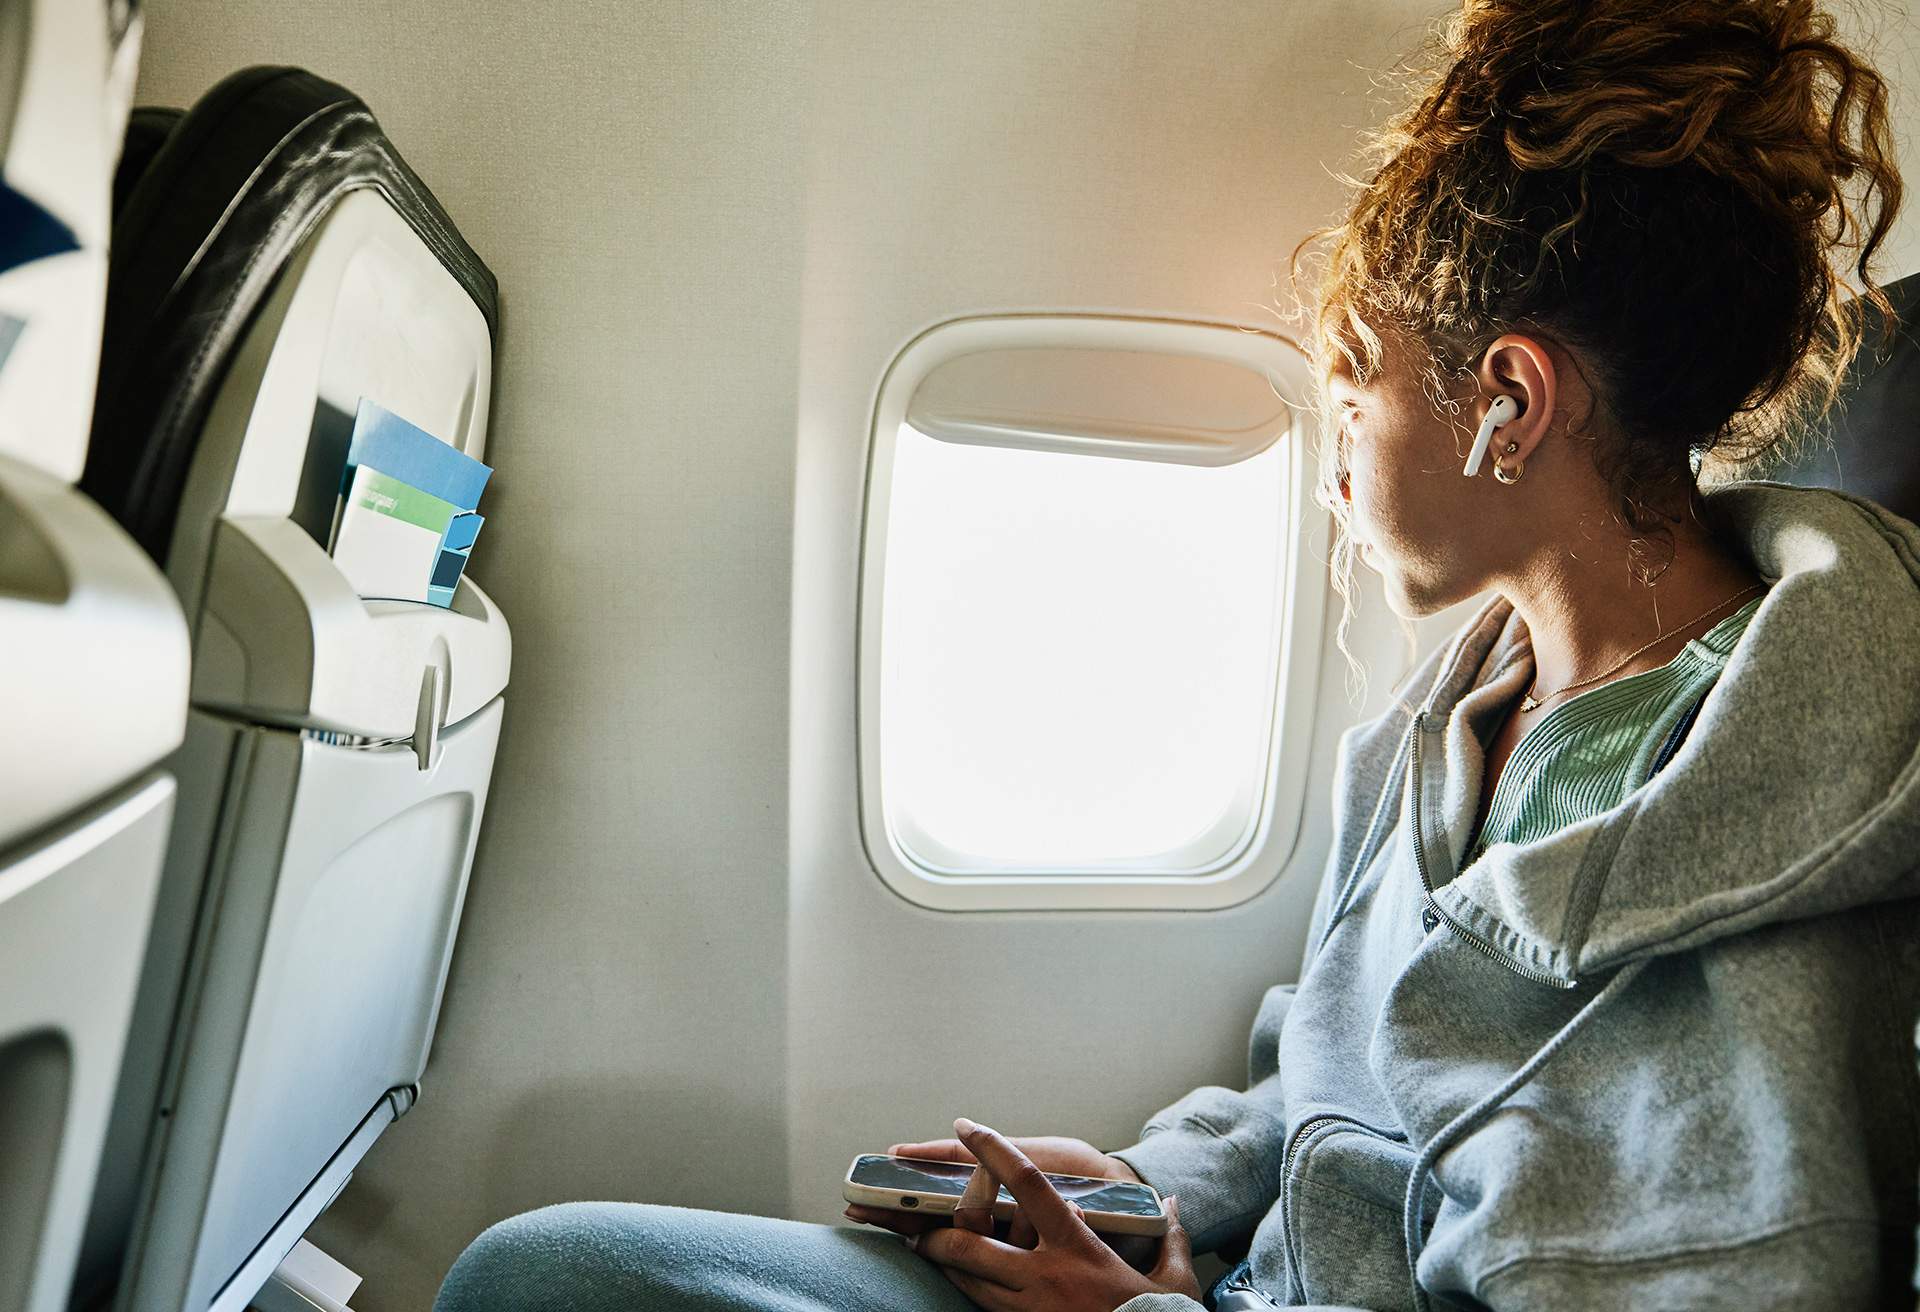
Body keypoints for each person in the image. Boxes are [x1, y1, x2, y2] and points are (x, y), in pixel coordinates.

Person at [433, 0, 1920, 1307]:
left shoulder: (1772, 823)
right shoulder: (1458, 712)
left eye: (1355, 395)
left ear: (1508, 404)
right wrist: (1146, 1187)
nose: (1338, 472)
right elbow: (1329, 1092)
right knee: (544, 1271)